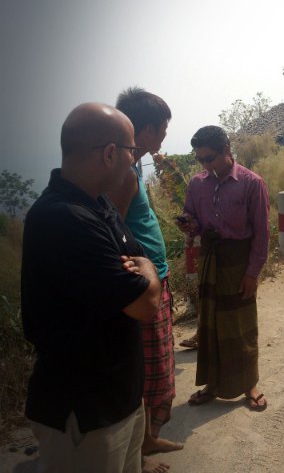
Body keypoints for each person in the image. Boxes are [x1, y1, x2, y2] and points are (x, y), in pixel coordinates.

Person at [21, 103, 162, 473]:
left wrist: (143, 272)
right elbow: (144, 302)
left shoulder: (99, 205)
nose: (136, 160)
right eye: (133, 151)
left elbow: (139, 259)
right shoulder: (63, 219)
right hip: (84, 412)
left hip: (120, 398)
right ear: (111, 153)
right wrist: (147, 275)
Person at [108, 88, 182, 471]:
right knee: (146, 371)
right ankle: (137, 453)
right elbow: (114, 229)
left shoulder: (134, 167)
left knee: (157, 368)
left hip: (157, 278)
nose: (166, 137)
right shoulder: (121, 173)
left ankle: (148, 440)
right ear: (148, 129)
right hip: (143, 284)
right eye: (164, 129)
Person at [177, 125, 269, 411]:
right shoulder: (196, 184)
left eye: (210, 158)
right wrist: (189, 226)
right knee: (211, 325)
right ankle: (212, 384)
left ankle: (249, 384)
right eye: (200, 159)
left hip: (238, 262)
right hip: (210, 260)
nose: (205, 165)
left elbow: (262, 234)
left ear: (227, 151)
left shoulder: (252, 183)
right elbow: (192, 218)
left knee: (241, 326)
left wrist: (252, 273)